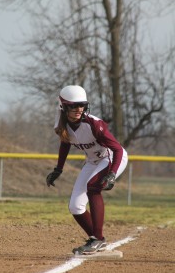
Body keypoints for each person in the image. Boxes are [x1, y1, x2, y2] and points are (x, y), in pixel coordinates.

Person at [46, 85, 128, 255]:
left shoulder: (94, 124)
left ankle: (97, 239)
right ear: (63, 107)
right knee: (75, 206)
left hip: (111, 157)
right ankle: (97, 239)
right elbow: (65, 144)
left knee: (93, 187)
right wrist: (58, 169)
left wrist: (112, 174)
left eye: (81, 105)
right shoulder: (62, 125)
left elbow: (117, 149)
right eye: (73, 105)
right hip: (93, 161)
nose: (78, 109)